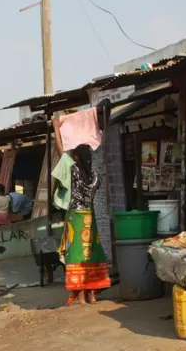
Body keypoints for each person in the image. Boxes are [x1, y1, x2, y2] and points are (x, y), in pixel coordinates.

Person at [52, 117, 111, 306]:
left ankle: (80, 296)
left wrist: (56, 129)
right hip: (89, 217)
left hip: (76, 218)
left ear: (76, 157)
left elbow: (59, 150)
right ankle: (92, 294)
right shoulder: (94, 177)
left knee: (75, 254)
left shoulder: (73, 171)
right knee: (91, 253)